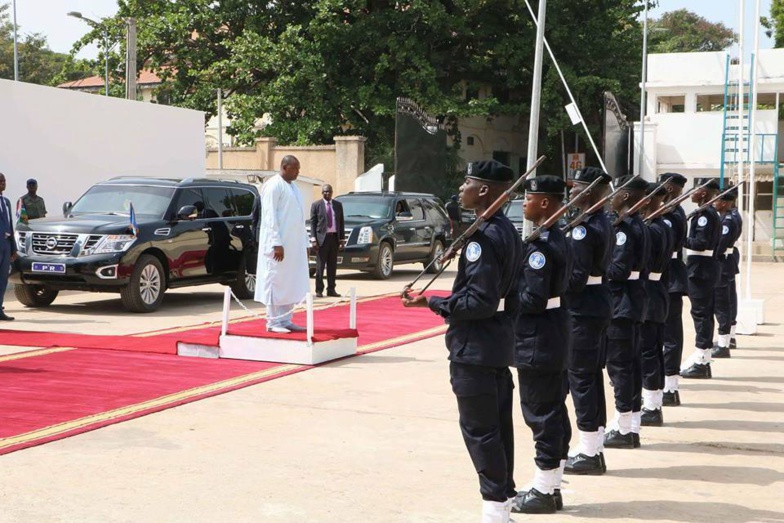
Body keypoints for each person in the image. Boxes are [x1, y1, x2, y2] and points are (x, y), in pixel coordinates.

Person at [402, 160, 522, 523]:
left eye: (467, 182)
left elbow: (477, 302)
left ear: (484, 190)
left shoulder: (484, 239)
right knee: (498, 427)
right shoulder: (505, 231)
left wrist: (433, 302)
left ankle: (495, 511)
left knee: (481, 430)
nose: (461, 188)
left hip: (476, 348)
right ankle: (504, 501)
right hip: (496, 344)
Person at [511, 175, 572, 514]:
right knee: (554, 410)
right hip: (553, 334)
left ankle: (544, 490)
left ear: (545, 203)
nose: (524, 202)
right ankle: (552, 482)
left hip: (538, 339)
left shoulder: (541, 248)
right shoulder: (554, 238)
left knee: (541, 413)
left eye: (529, 197)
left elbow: (532, 298)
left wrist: (505, 298)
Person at [562, 167, 613, 477]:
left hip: (582, 309)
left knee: (581, 377)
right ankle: (594, 444)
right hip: (596, 305)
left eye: (577, 187)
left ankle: (590, 451)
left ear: (591, 193)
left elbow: (577, 277)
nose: (571, 192)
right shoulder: (601, 221)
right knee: (591, 375)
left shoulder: (584, 228)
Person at [604, 175, 650, 449]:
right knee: (630, 366)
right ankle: (630, 425)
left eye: (618, 193)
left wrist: (595, 269)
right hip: (632, 302)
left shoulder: (623, 229)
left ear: (629, 197)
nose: (613, 197)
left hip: (621, 304)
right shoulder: (638, 225)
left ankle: (624, 428)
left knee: (621, 367)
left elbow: (619, 270)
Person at [254, 156, 310, 334]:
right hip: (278, 246)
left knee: (289, 282)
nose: (298, 172)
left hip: (293, 246)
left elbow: (299, 218)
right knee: (276, 281)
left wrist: (306, 242)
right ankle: (273, 321)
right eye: (295, 169)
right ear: (285, 167)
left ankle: (286, 319)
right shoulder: (273, 186)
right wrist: (276, 243)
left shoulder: (294, 187)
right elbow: (270, 217)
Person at [639, 182, 674, 427]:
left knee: (648, 351)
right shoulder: (662, 225)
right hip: (657, 290)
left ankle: (651, 406)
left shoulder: (652, 229)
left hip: (649, 293)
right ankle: (653, 402)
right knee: (654, 349)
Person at [680, 178, 721, 379]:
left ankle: (702, 361)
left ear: (703, 192)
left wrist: (679, 239)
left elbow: (701, 243)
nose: (691, 193)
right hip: (702, 268)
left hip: (701, 270)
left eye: (695, 190)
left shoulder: (705, 215)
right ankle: (703, 357)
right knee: (702, 313)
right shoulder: (704, 212)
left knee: (701, 314)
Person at [657, 172, 689, 406]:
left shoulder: (670, 214)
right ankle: (667, 382)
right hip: (669, 276)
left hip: (669, 277)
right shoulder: (671, 211)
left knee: (669, 333)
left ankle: (669, 384)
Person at [711, 186, 741, 359]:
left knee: (722, 303)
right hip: (726, 262)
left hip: (723, 263)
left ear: (723, 203)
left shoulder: (727, 220)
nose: (714, 202)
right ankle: (728, 337)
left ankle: (724, 343)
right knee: (727, 300)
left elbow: (720, 245)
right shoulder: (728, 217)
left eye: (716, 200)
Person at [310, 184, 345, 298]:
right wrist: (314, 239)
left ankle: (331, 289)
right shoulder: (316, 205)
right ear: (322, 193)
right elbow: (313, 224)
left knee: (332, 266)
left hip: (334, 238)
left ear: (332, 192)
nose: (327, 194)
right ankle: (319, 290)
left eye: (329, 192)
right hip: (321, 240)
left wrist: (342, 240)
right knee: (320, 266)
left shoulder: (338, 205)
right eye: (325, 192)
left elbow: (341, 223)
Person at [0, 173, 18, 321]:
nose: (3, 184)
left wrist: (14, 248)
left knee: (3, 278)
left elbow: (10, 225)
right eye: (0, 181)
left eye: (4, 181)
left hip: (6, 244)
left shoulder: (6, 202)